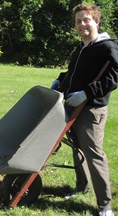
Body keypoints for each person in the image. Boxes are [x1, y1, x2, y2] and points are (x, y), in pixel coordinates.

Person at [51, 3, 118, 216]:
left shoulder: (107, 47)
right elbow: (74, 73)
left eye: (86, 20)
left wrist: (88, 93)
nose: (82, 24)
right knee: (77, 149)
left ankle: (105, 206)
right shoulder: (81, 47)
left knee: (93, 154)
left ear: (96, 21)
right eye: (78, 21)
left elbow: (113, 77)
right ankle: (82, 186)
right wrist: (60, 82)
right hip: (73, 106)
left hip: (91, 110)